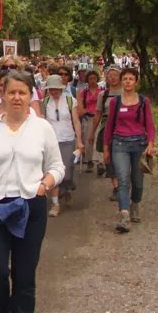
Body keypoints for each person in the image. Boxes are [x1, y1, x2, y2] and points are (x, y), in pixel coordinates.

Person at [0, 71, 65, 313]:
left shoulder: (42, 128)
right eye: (11, 92)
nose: (17, 97)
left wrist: (44, 184)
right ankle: (3, 307)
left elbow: (57, 166)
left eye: (22, 92)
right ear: (3, 95)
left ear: (31, 96)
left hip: (31, 206)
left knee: (25, 278)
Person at [104, 68, 156, 232]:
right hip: (119, 144)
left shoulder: (143, 101)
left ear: (136, 82)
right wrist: (106, 148)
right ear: (121, 81)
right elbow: (109, 126)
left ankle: (135, 203)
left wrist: (151, 143)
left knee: (138, 182)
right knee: (123, 179)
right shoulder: (116, 102)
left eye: (130, 79)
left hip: (139, 144)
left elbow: (150, 124)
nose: (127, 81)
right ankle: (124, 215)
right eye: (125, 78)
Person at [42, 75, 84, 217]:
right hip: (50, 141)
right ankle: (55, 204)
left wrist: (79, 140)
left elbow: (76, 121)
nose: (54, 92)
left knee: (66, 173)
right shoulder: (45, 103)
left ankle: (66, 190)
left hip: (67, 139)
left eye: (56, 89)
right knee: (52, 172)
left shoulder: (70, 101)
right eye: (51, 89)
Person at [90, 65, 122, 199]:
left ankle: (123, 184)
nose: (112, 78)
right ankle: (116, 187)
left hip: (123, 129)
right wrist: (92, 132)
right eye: (109, 76)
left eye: (115, 75)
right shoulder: (103, 95)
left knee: (122, 159)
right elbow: (98, 114)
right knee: (109, 159)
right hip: (107, 128)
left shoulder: (126, 93)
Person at [76, 70, 103, 173]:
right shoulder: (84, 92)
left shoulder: (102, 91)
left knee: (98, 139)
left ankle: (100, 162)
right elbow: (81, 105)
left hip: (98, 117)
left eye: (94, 78)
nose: (92, 81)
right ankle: (89, 160)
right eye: (90, 79)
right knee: (88, 140)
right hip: (88, 118)